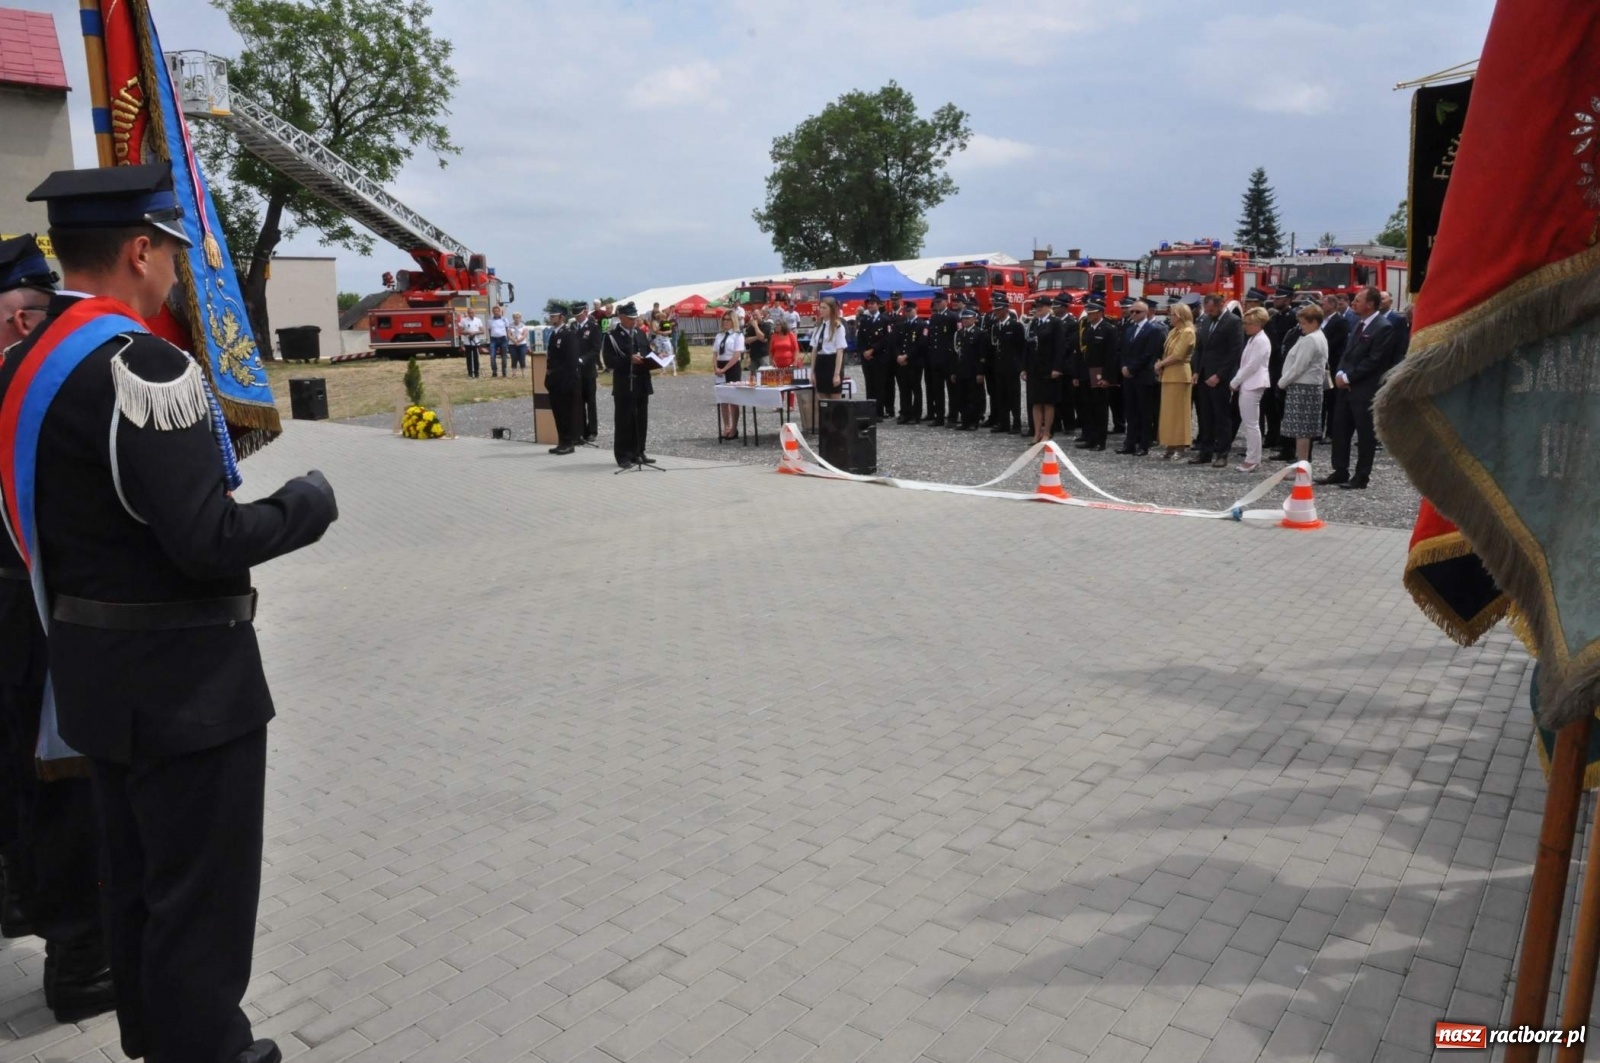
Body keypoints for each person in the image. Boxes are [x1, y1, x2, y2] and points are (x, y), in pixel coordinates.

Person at [5, 163, 338, 1063]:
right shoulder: (143, 364)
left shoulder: (26, 358)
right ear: (142, 250)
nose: (176, 270)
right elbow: (205, 537)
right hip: (186, 686)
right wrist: (306, 504)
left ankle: (158, 1039)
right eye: (172, 250)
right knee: (202, 898)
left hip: (93, 674)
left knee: (140, 886)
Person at [0, 234, 116, 1025]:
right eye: (39, 317)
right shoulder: (19, 387)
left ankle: (25, 901)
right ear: (17, 318)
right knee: (62, 783)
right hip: (30, 610)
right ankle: (80, 957)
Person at [1319, 286, 1399, 489]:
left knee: (1364, 435)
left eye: (1358, 300)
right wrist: (1338, 372)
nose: (1353, 303)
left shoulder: (1383, 327)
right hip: (1345, 388)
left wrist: (1348, 377)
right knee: (1340, 431)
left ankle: (1361, 475)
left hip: (1364, 390)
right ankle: (1340, 470)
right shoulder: (1357, 324)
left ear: (1370, 304)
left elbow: (1375, 360)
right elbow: (1347, 353)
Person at [1190, 293, 1243, 467]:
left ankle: (1222, 453)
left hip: (1220, 376)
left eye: (1212, 310)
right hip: (1204, 374)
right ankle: (1205, 451)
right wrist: (1196, 370)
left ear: (1220, 305)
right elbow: (1199, 348)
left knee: (1221, 416)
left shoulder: (1233, 321)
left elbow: (1234, 352)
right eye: (1207, 310)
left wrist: (1219, 374)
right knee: (1205, 416)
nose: (1209, 312)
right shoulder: (1205, 321)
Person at [607, 302, 658, 466]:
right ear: (621, 317)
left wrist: (657, 358)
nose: (634, 321)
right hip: (624, 384)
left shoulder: (640, 333)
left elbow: (647, 352)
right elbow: (609, 361)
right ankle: (623, 455)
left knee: (641, 420)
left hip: (642, 382)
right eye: (630, 318)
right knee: (624, 421)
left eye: (635, 318)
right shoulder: (612, 337)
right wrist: (628, 360)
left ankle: (639, 451)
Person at [1279, 302, 1330, 463]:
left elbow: (1299, 366)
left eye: (1303, 323)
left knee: (1301, 431)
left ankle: (1301, 464)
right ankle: (1302, 462)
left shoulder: (1311, 339)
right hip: (1310, 387)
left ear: (1314, 322)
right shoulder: (1319, 336)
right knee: (1304, 431)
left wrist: (1282, 382)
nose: (1301, 327)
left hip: (1303, 387)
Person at [1117, 298, 1161, 456]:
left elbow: (1149, 353)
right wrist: (1124, 366)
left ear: (1146, 312)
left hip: (1143, 375)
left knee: (1144, 412)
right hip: (1128, 376)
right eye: (1132, 311)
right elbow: (1123, 351)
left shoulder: (1152, 330)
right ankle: (1129, 443)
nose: (1133, 314)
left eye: (1137, 312)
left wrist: (1131, 368)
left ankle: (1144, 444)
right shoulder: (1129, 329)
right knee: (1130, 412)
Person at [1231, 308, 1272, 472]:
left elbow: (1252, 366)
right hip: (1249, 383)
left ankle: (1253, 458)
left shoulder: (1261, 340)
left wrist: (1235, 381)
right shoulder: (1253, 339)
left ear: (1259, 324)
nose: (1245, 327)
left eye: (1249, 323)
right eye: (1245, 323)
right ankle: (1252, 456)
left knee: (1251, 423)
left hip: (1253, 383)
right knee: (1250, 423)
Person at [1153, 302, 1196, 458]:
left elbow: (1178, 355)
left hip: (1180, 375)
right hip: (1168, 375)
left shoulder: (1188, 332)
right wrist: (1161, 364)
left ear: (1179, 316)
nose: (1169, 317)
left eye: (1172, 314)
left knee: (1179, 413)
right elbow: (1166, 351)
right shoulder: (1173, 332)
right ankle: (1170, 444)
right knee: (1168, 413)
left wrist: (1161, 364)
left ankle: (1180, 445)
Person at [1074, 297, 1117, 450]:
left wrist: (1107, 378)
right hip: (1086, 372)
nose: (1088, 316)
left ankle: (1100, 441)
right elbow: (1080, 353)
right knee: (1087, 407)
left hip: (1099, 373)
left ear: (1100, 313)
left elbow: (1111, 356)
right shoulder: (1087, 329)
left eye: (1091, 313)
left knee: (1099, 408)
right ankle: (1090, 437)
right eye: (1088, 313)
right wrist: (1077, 375)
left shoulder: (1108, 329)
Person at [1021, 297, 1063, 443]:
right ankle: (1037, 432)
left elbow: (1059, 347)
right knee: (1036, 401)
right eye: (1036, 307)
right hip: (1034, 367)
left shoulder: (1055, 323)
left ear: (1048, 307)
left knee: (1048, 401)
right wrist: (1024, 367)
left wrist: (1057, 367)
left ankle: (1047, 432)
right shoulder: (1033, 323)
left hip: (1048, 367)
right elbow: (1028, 346)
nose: (1038, 309)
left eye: (1041, 307)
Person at [1263, 286, 1298, 458]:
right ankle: (1273, 436)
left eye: (1279, 298)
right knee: (1271, 405)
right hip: (1274, 366)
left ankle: (1284, 442)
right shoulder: (1275, 317)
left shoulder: (1292, 318)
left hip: (1284, 365)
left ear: (1288, 299)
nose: (1275, 300)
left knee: (1282, 406)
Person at [543, 306, 580, 454]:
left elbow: (571, 360)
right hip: (554, 380)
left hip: (564, 380)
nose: (552, 318)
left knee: (566, 413)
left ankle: (569, 442)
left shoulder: (568, 334)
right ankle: (562, 441)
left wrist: (567, 380)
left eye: (554, 316)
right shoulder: (554, 335)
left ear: (562, 317)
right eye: (551, 316)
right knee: (558, 413)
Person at [989, 299, 1027, 435]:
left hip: (1012, 365)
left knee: (1013, 395)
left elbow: (1021, 347)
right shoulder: (995, 325)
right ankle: (1003, 422)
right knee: (1001, 394)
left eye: (998, 310)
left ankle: (1016, 422)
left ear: (1006, 310)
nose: (996, 312)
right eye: (995, 310)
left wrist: (1021, 366)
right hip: (999, 365)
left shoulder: (1015, 325)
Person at [1319, 294, 1350, 440]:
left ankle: (1330, 432)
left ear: (1332, 305)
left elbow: (1336, 342)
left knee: (1332, 401)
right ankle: (1318, 430)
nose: (1321, 306)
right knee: (1321, 401)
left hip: (1332, 364)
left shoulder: (1340, 321)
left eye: (1323, 304)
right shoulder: (1321, 321)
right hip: (1321, 365)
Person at [950, 308, 985, 430]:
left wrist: (980, 372)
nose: (965, 321)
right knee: (961, 396)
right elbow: (955, 354)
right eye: (963, 318)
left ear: (974, 319)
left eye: (968, 318)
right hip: (961, 370)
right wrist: (953, 371)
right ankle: (965, 420)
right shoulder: (959, 333)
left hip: (973, 370)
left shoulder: (979, 333)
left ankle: (974, 421)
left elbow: (981, 355)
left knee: (974, 397)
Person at [855, 295, 890, 421]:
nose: (870, 306)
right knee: (869, 384)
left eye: (872, 304)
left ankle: (879, 412)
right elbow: (860, 339)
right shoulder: (865, 320)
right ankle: (870, 411)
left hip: (879, 357)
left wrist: (873, 350)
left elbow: (886, 339)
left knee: (879, 385)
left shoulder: (885, 320)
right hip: (867, 358)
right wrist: (863, 352)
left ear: (879, 305)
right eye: (868, 304)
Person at [923, 293, 956, 426]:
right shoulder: (935, 317)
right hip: (936, 359)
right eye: (935, 302)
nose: (936, 304)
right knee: (937, 390)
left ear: (945, 302)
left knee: (952, 390)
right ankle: (939, 416)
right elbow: (931, 338)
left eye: (939, 302)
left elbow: (955, 339)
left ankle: (953, 417)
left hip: (948, 359)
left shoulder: (952, 317)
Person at [893, 299, 927, 424]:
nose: (907, 313)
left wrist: (907, 356)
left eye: (910, 310)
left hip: (914, 362)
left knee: (915, 388)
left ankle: (916, 414)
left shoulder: (922, 325)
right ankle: (904, 412)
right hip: (901, 361)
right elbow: (896, 342)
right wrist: (898, 356)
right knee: (903, 389)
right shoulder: (901, 324)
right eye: (906, 311)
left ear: (915, 309)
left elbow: (921, 344)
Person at [712, 311, 745, 440]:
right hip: (720, 366)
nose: (725, 322)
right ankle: (726, 426)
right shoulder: (719, 335)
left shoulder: (737, 336)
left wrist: (725, 368)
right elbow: (715, 353)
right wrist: (716, 367)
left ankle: (734, 428)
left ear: (733, 321)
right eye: (724, 320)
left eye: (728, 320)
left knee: (733, 400)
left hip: (732, 367)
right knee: (723, 400)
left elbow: (737, 355)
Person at [574, 301, 601, 441]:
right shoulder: (573, 327)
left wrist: (582, 359)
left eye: (579, 315)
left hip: (588, 370)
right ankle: (581, 430)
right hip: (576, 372)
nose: (577, 318)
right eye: (575, 316)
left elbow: (596, 350)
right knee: (579, 402)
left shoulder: (593, 327)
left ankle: (592, 431)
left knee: (590, 402)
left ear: (585, 312)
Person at [810, 297, 848, 398]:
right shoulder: (818, 326)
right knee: (822, 401)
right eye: (820, 307)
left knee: (834, 401)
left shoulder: (837, 327)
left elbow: (840, 351)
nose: (820, 310)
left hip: (832, 361)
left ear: (831, 309)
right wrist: (812, 372)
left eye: (824, 308)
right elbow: (814, 349)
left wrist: (836, 374)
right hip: (820, 362)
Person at [458, 306, 484, 378]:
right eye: (469, 313)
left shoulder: (478, 320)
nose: (471, 314)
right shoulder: (464, 320)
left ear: (474, 313)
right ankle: (470, 372)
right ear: (468, 313)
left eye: (472, 312)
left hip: (475, 342)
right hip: (467, 342)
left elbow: (482, 331)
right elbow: (461, 331)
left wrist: (475, 333)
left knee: (476, 358)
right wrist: (468, 332)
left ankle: (476, 373)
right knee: (469, 358)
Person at [744, 306, 772, 371]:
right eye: (753, 316)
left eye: (756, 315)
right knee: (753, 375)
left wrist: (756, 326)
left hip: (763, 354)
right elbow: (746, 340)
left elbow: (763, 338)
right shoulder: (750, 328)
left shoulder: (766, 325)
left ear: (761, 315)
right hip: (754, 355)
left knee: (765, 373)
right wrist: (757, 337)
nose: (755, 317)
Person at [486, 304, 510, 378]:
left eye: (497, 311)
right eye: (494, 311)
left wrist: (506, 338)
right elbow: (489, 330)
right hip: (494, 339)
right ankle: (494, 371)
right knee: (492, 356)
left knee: (504, 356)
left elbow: (507, 329)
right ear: (493, 312)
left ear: (500, 311)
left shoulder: (504, 319)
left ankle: (504, 372)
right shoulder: (490, 321)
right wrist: (492, 336)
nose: (496, 312)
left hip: (503, 339)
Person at [507, 311, 529, 377]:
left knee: (522, 358)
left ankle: (524, 373)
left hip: (522, 344)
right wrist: (514, 341)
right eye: (515, 317)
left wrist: (518, 341)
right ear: (513, 318)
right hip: (512, 344)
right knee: (514, 358)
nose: (517, 319)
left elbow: (525, 335)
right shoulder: (510, 326)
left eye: (518, 317)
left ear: (520, 318)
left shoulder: (524, 326)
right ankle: (514, 373)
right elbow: (509, 335)